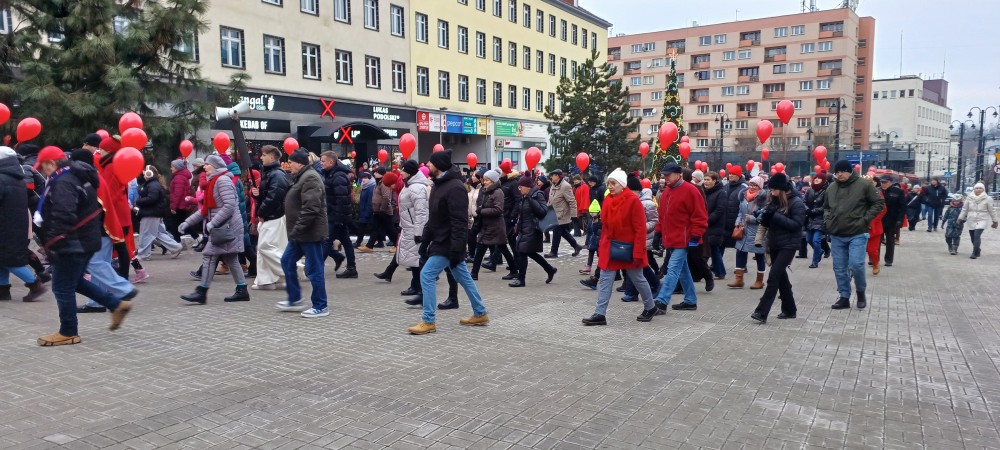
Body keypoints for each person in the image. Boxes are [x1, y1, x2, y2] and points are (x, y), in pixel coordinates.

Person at [34, 146, 132, 346]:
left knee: (61, 288)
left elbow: (63, 214)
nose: (43, 172)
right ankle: (116, 304)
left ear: (52, 163)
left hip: (70, 243)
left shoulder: (63, 182)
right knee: (75, 281)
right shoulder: (78, 176)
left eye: (43, 167)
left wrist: (53, 241)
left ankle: (68, 331)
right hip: (86, 240)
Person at [408, 150, 490, 335]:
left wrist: (457, 249)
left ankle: (428, 321)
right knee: (463, 277)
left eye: (431, 163)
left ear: (439, 166)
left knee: (427, 275)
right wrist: (424, 241)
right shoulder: (439, 185)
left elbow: (460, 222)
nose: (427, 165)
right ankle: (480, 312)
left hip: (448, 243)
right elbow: (434, 217)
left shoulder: (455, 188)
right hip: (442, 240)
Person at [582, 168, 660, 326]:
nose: (610, 186)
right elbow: (606, 224)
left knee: (638, 278)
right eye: (609, 183)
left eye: (614, 183)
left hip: (629, 249)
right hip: (610, 248)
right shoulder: (608, 199)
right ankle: (600, 313)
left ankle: (650, 307)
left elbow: (640, 229)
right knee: (605, 280)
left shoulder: (633, 201)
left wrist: (639, 251)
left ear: (622, 185)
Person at [179, 155, 249, 304]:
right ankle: (242, 290)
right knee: (231, 259)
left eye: (207, 164)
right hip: (226, 227)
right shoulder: (215, 181)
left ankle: (201, 292)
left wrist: (213, 224)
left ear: (215, 166)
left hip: (226, 227)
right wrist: (188, 222)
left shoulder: (222, 181)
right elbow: (206, 209)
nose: (204, 167)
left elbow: (229, 206)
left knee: (209, 256)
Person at [275, 149, 329, 317]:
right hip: (300, 233)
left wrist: (297, 228)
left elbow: (311, 208)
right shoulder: (302, 177)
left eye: (290, 162)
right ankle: (295, 298)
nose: (288, 165)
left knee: (314, 269)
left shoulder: (310, 177)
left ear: (299, 163)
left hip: (309, 233)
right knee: (286, 261)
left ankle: (321, 305)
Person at [825, 160, 885, 310]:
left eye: (843, 171)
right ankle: (844, 296)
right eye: (838, 172)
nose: (840, 174)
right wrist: (828, 220)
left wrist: (865, 219)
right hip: (837, 233)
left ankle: (860, 292)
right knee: (839, 267)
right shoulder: (831, 188)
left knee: (856, 265)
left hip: (857, 232)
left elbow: (879, 203)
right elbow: (825, 207)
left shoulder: (864, 185)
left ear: (850, 171)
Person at [750, 173, 806, 323]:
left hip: (789, 245)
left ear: (781, 189)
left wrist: (774, 216)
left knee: (774, 276)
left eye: (774, 190)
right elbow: (768, 223)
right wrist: (764, 217)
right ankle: (790, 309)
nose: (771, 192)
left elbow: (796, 225)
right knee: (781, 277)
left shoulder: (796, 203)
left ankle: (761, 312)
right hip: (774, 243)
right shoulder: (774, 201)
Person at [652, 163, 708, 312]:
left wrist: (695, 237)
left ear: (678, 174)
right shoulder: (666, 193)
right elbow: (662, 217)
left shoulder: (691, 191)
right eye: (664, 175)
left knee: (672, 269)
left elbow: (700, 216)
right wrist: (658, 233)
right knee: (682, 270)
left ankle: (662, 301)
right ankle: (690, 300)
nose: (665, 178)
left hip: (684, 240)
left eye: (668, 175)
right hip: (671, 239)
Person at [0, 147, 47, 302]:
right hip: (14, 222)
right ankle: (3, 289)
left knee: (11, 260)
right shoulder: (16, 176)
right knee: (3, 259)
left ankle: (35, 285)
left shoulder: (2, 178)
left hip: (6, 225)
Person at [250, 145, 290, 290]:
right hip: (273, 215)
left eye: (264, 155)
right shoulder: (272, 173)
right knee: (266, 249)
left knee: (265, 247)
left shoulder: (276, 175)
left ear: (271, 157)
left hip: (273, 216)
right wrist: (257, 195)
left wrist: (261, 212)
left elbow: (274, 197)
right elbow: (270, 195)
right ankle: (266, 280)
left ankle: (290, 270)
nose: (261, 157)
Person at [509, 174, 558, 287]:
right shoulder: (524, 196)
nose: (519, 189)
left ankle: (521, 279)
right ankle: (550, 269)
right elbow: (522, 213)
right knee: (529, 252)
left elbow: (543, 211)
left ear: (527, 187)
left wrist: (530, 199)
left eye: (521, 186)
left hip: (533, 229)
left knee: (522, 252)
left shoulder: (537, 194)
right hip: (524, 229)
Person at [470, 169, 512, 280]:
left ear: (493, 181)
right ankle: (474, 274)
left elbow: (498, 210)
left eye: (487, 180)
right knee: (481, 250)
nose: (484, 182)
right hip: (486, 226)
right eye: (484, 180)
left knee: (501, 248)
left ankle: (513, 269)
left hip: (496, 227)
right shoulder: (485, 191)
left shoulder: (498, 192)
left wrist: (482, 211)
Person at [135, 165, 183, 260]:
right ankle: (175, 247)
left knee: (146, 234)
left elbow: (152, 198)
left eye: (146, 172)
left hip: (151, 213)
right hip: (155, 212)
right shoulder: (153, 184)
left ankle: (144, 254)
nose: (144, 174)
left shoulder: (152, 185)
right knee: (157, 233)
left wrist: (138, 201)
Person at [728, 176, 767, 289]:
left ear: (760, 186)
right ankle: (739, 279)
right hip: (744, 230)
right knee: (740, 251)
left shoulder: (764, 198)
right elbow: (740, 212)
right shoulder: (743, 196)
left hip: (757, 231)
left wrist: (752, 219)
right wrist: (737, 221)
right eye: (750, 184)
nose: (752, 187)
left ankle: (759, 281)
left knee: (759, 255)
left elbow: (765, 215)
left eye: (755, 185)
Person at [545, 169, 583, 258]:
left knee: (556, 231)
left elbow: (572, 201)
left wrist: (574, 215)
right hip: (554, 213)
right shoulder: (553, 185)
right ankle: (576, 246)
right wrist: (546, 209)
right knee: (563, 232)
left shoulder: (565, 186)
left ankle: (554, 252)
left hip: (562, 214)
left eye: (553, 175)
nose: (551, 177)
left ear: (558, 176)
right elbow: (551, 200)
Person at [958, 182, 999, 259]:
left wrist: (995, 221)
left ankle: (974, 252)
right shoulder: (969, 198)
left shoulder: (988, 199)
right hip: (971, 218)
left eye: (980, 188)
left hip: (982, 219)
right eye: (977, 188)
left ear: (983, 189)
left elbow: (992, 210)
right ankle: (977, 249)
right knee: (972, 236)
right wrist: (960, 218)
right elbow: (964, 209)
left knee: (977, 235)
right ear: (974, 189)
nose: (978, 190)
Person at [361, 168, 395, 251]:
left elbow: (386, 197)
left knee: (390, 229)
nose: (374, 174)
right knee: (375, 228)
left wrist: (382, 209)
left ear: (381, 174)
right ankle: (369, 246)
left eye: (376, 172)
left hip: (384, 211)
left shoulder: (384, 183)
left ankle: (397, 244)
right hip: (378, 211)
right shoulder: (378, 183)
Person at [703, 171, 727, 281]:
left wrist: (707, 220)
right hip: (706, 225)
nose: (706, 182)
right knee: (712, 249)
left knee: (713, 249)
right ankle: (719, 271)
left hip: (715, 225)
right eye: (705, 179)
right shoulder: (706, 192)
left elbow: (720, 210)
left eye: (708, 180)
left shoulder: (721, 192)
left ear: (714, 181)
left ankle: (720, 272)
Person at [878, 175, 906, 268]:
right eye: (882, 182)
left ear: (890, 182)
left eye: (885, 182)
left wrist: (900, 220)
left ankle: (889, 260)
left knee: (890, 241)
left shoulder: (898, 192)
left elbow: (902, 208)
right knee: (876, 240)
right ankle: (874, 259)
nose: (883, 184)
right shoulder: (876, 191)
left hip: (892, 220)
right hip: (878, 220)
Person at [803, 173, 829, 269]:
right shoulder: (810, 190)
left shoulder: (826, 191)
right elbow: (804, 201)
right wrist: (807, 210)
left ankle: (815, 261)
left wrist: (813, 211)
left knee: (816, 240)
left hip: (820, 218)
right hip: (810, 218)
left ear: (823, 180)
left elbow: (825, 206)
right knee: (808, 239)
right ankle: (820, 251)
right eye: (815, 178)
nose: (817, 179)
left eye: (819, 178)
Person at [168, 159, 196, 242]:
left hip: (179, 206)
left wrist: (173, 207)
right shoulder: (182, 176)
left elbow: (178, 194)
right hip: (182, 205)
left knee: (174, 225)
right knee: (181, 224)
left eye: (172, 166)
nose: (171, 168)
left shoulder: (179, 177)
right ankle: (196, 237)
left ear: (177, 168)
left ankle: (177, 244)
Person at [866, 177, 887, 275]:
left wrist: (873, 221)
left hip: (873, 226)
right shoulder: (856, 194)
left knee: (872, 250)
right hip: (858, 226)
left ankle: (875, 263)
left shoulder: (877, 193)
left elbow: (883, 209)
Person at [354, 172, 376, 249]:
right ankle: (379, 241)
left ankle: (358, 242)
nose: (363, 180)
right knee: (373, 227)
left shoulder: (371, 187)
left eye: (365, 178)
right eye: (362, 178)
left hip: (367, 211)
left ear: (370, 178)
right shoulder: (364, 187)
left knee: (362, 227)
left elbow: (370, 201)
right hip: (363, 210)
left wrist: (367, 212)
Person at [580, 200, 601, 275]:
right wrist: (587, 242)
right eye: (591, 212)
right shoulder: (590, 221)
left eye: (594, 212)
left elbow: (601, 233)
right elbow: (588, 232)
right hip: (592, 241)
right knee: (590, 254)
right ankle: (588, 266)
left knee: (600, 256)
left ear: (598, 212)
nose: (592, 213)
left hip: (598, 242)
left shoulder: (601, 221)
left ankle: (600, 267)